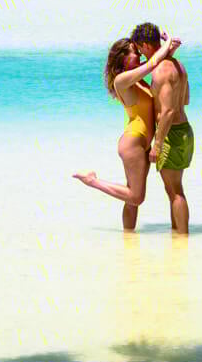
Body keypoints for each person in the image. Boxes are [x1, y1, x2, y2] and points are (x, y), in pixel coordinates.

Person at [73, 33, 180, 232]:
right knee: (136, 196)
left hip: (142, 142)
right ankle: (91, 180)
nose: (139, 56)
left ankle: (128, 239)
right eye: (135, 53)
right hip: (133, 143)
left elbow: (156, 66)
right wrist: (166, 44)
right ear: (122, 58)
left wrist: (170, 49)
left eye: (139, 52)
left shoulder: (139, 81)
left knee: (131, 200)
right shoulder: (122, 80)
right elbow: (151, 65)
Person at [130, 20, 193, 236]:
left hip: (171, 134)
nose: (140, 54)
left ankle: (183, 241)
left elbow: (168, 111)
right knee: (174, 189)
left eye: (139, 49)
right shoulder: (178, 66)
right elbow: (185, 100)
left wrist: (157, 144)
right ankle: (178, 239)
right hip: (184, 130)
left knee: (174, 191)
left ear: (146, 46)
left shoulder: (160, 73)